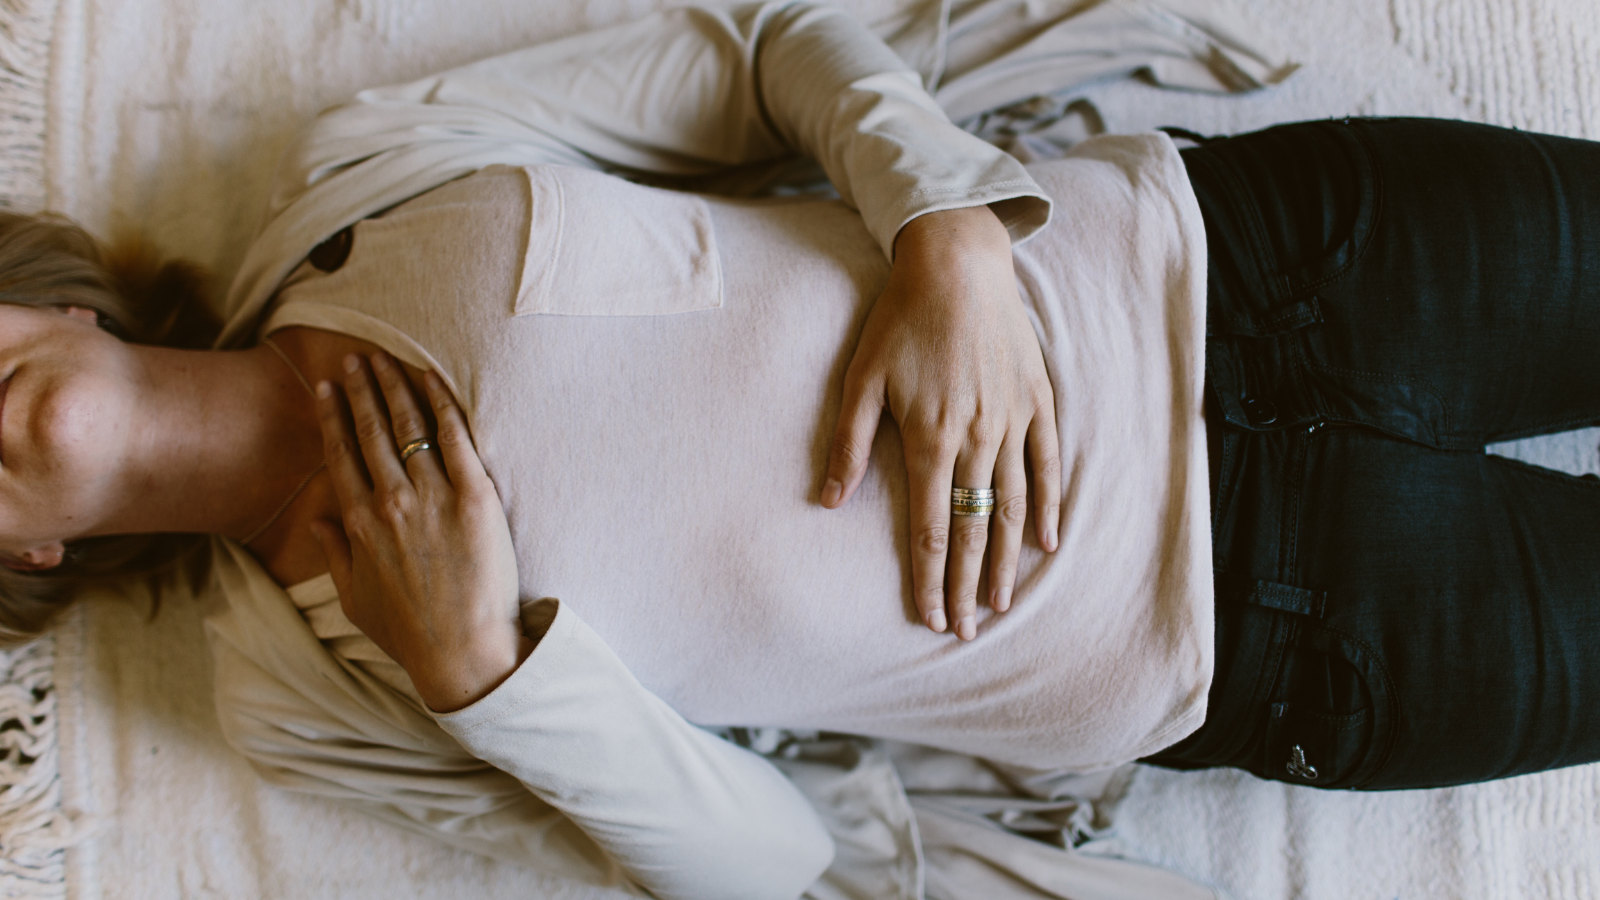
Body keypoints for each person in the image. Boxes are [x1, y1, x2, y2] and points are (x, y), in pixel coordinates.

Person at [0, 1, 1594, 898]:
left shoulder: (357, 183)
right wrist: (485, 670)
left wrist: (945, 237)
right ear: (24, 560)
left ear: (58, 305)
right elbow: (774, 858)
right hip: (1290, 631)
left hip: (1258, 265)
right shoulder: (297, 696)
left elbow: (765, 45)